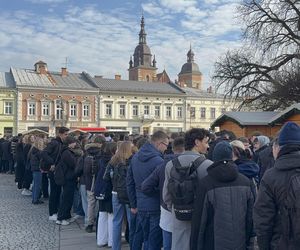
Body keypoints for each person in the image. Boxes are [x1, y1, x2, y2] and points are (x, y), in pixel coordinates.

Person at [190, 141, 254, 250]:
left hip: (212, 243)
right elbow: (250, 218)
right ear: (231, 156)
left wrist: (195, 246)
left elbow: (199, 222)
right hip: (240, 242)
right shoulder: (246, 182)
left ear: (214, 157)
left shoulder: (205, 183)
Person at [163, 128, 212, 250]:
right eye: (206, 142)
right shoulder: (208, 165)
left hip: (178, 213)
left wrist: (175, 208)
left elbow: (166, 196)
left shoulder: (170, 165)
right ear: (197, 142)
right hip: (200, 215)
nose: (208, 146)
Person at [253, 122, 300, 249]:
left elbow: (263, 220)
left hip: (282, 244)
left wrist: (264, 246)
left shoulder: (271, 176)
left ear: (279, 148)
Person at [127, 130, 169, 250]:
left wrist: (133, 204)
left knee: (143, 237)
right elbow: (163, 186)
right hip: (155, 205)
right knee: (154, 241)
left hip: (140, 205)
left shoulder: (135, 158)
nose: (166, 149)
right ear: (159, 143)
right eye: (166, 145)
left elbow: (129, 182)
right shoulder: (159, 161)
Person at [142, 137, 185, 250]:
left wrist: (160, 193)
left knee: (167, 244)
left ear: (173, 148)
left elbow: (146, 186)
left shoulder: (163, 165)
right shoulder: (193, 164)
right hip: (188, 209)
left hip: (167, 209)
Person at [104, 141, 133, 250]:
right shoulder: (131, 160)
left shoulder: (113, 160)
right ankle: (133, 246)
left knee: (117, 221)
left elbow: (105, 177)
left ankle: (116, 247)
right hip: (129, 194)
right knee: (131, 222)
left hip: (116, 193)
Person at [41, 126, 69, 221]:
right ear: (60, 134)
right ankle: (52, 213)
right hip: (53, 171)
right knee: (54, 192)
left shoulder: (62, 143)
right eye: (65, 134)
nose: (66, 136)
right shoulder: (54, 143)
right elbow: (44, 153)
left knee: (58, 192)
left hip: (59, 171)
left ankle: (56, 211)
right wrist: (51, 163)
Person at [56, 136, 82, 225]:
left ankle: (66, 216)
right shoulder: (67, 152)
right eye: (74, 142)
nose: (75, 144)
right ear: (70, 143)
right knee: (66, 199)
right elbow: (73, 164)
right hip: (68, 178)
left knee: (68, 198)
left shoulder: (65, 151)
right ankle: (61, 218)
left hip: (68, 177)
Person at [31, 137, 45, 204]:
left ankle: (34, 198)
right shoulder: (38, 152)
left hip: (34, 169)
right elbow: (41, 161)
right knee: (37, 185)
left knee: (35, 184)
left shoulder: (33, 150)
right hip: (37, 169)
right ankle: (35, 199)